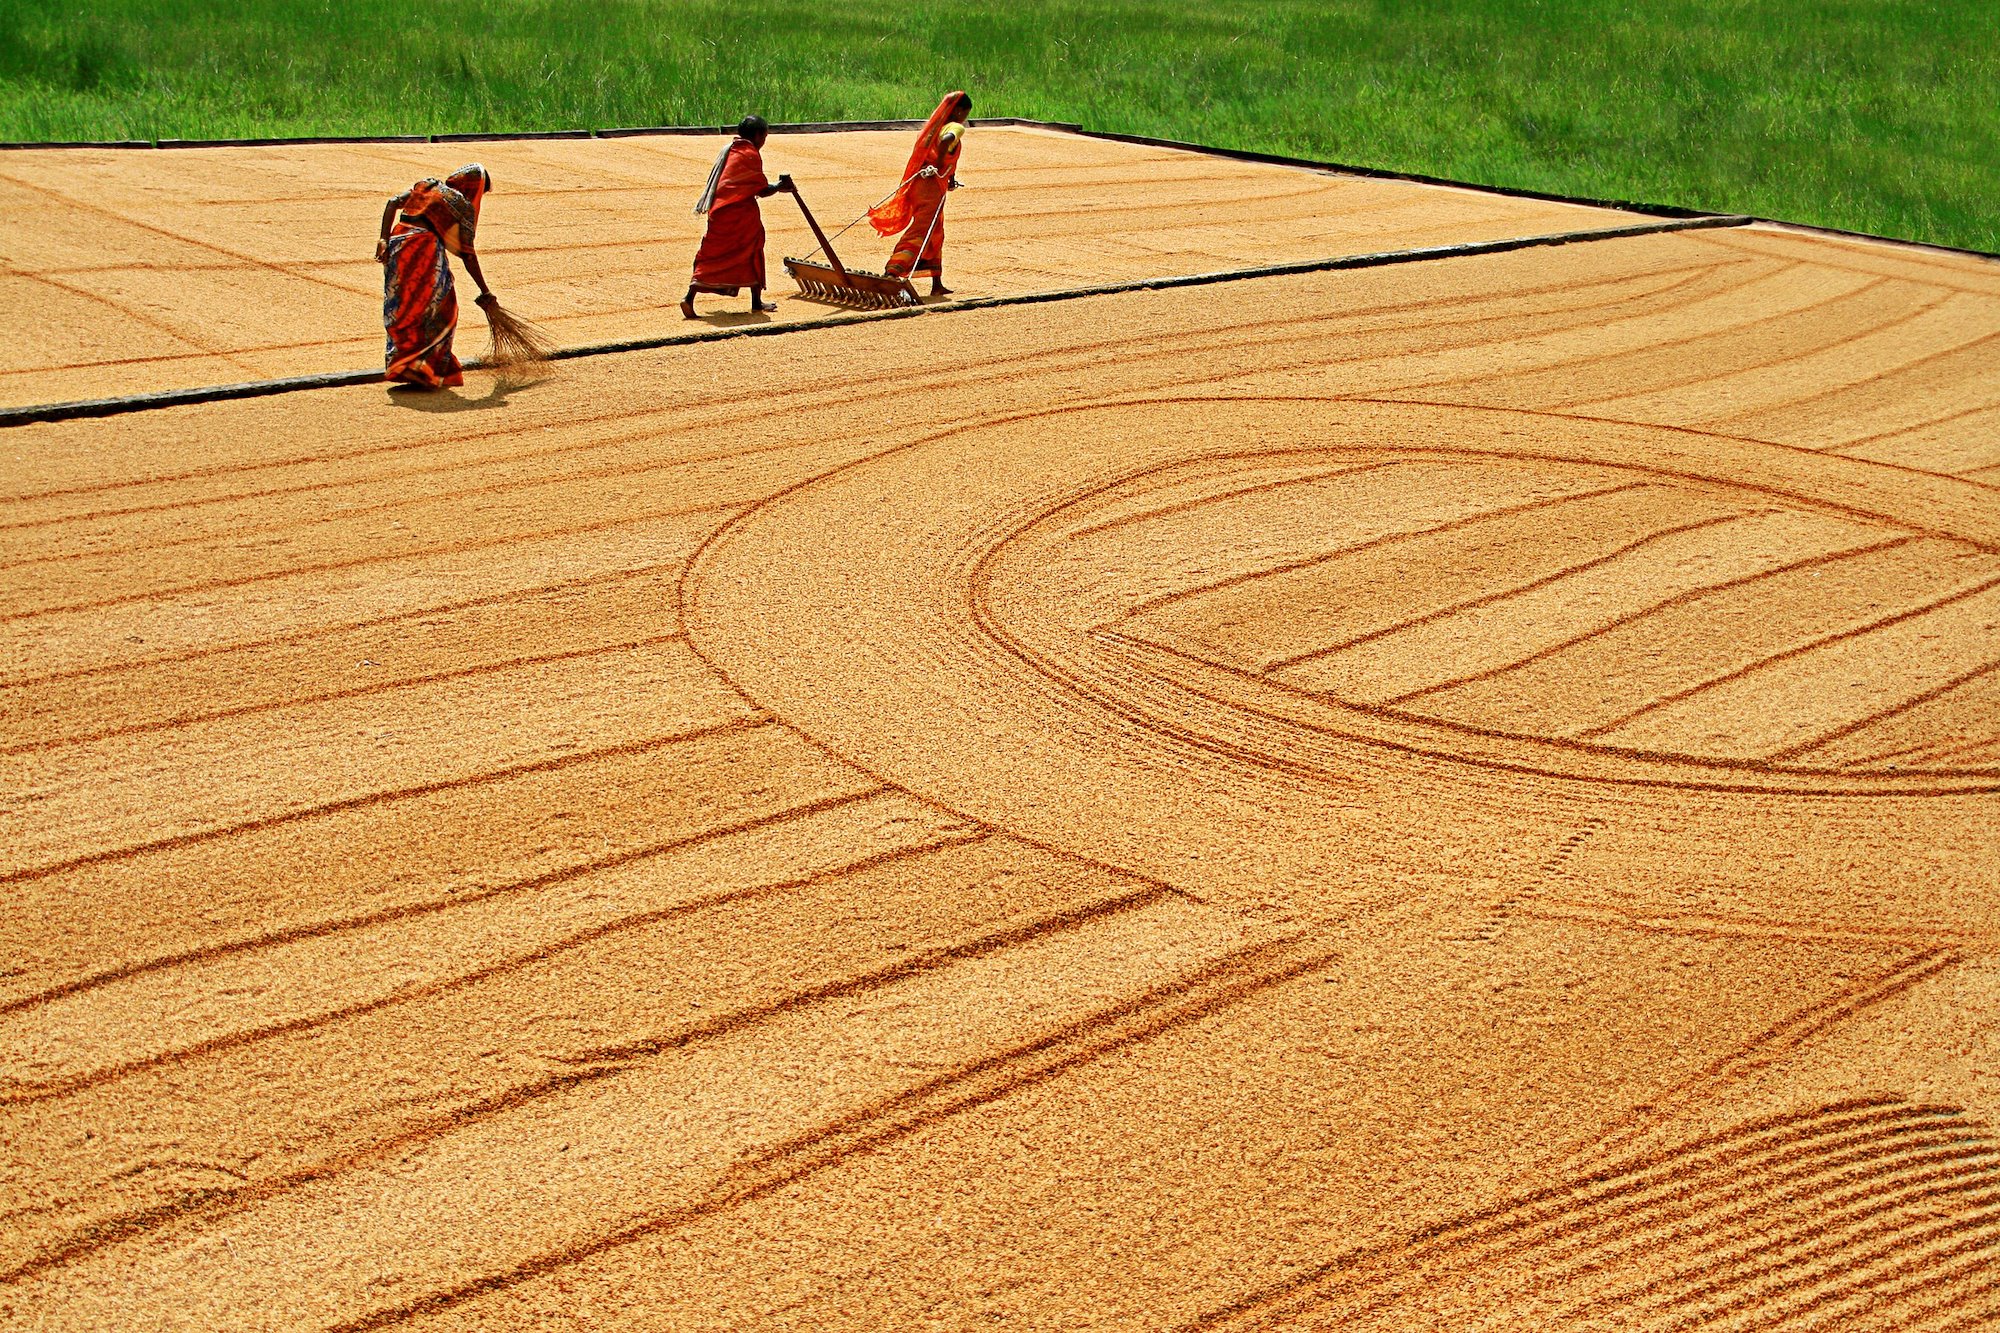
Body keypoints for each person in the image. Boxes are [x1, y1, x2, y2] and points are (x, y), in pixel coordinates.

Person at [376, 164, 495, 389]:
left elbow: (392, 203)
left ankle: (406, 364)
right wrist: (485, 290)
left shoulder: (428, 184)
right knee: (442, 307)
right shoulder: (462, 204)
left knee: (402, 306)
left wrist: (383, 239)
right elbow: (468, 255)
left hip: (397, 243)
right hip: (422, 249)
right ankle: (424, 368)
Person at [683, 115, 795, 318]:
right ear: (759, 135)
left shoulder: (730, 149)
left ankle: (689, 297)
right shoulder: (749, 153)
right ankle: (756, 302)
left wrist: (777, 187)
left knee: (710, 253)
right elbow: (761, 190)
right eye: (765, 136)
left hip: (718, 211)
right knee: (753, 249)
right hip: (740, 214)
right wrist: (780, 187)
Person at [870, 91, 971, 297]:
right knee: (922, 231)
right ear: (959, 111)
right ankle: (892, 271)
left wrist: (948, 176)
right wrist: (938, 164)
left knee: (935, 232)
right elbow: (948, 141)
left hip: (922, 185)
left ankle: (937, 283)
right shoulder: (955, 127)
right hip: (930, 189)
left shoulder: (934, 130)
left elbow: (944, 147)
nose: (964, 119)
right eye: (965, 114)